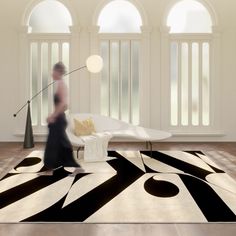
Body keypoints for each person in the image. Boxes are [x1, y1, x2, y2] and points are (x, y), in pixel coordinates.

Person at [43, 62, 81, 175]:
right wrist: (52, 115)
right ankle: (57, 166)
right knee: (60, 143)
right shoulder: (59, 83)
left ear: (58, 72)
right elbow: (60, 104)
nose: (51, 73)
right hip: (58, 118)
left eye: (53, 70)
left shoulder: (61, 84)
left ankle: (51, 168)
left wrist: (53, 116)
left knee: (55, 143)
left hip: (59, 119)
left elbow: (64, 104)